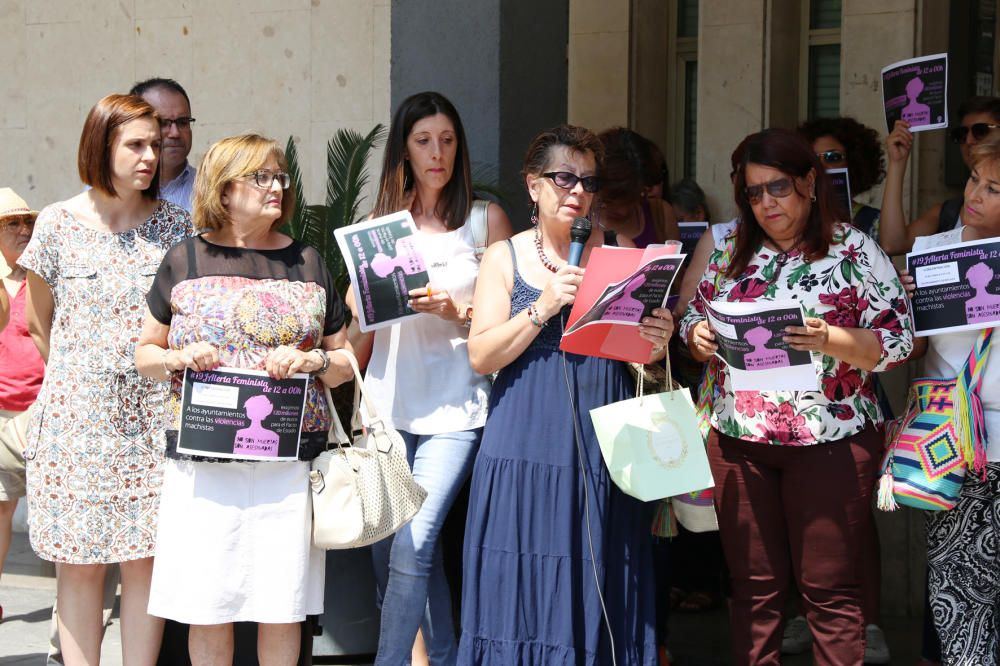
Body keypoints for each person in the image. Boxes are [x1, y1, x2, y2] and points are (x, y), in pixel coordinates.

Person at [680, 128, 913, 666]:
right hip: (740, 441)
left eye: (778, 188)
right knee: (755, 594)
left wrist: (830, 337)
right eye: (754, 193)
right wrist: (695, 334)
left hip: (831, 441)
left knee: (829, 594)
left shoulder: (853, 248)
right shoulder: (730, 245)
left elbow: (900, 340)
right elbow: (695, 313)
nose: (766, 204)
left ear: (810, 182)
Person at [134, 133, 354, 665]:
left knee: (283, 606)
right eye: (262, 176)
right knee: (209, 606)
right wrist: (178, 359)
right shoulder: (184, 258)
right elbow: (145, 353)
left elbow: (346, 362)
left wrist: (314, 362)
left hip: (286, 463)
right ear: (225, 188)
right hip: (205, 462)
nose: (277, 185)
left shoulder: (307, 260)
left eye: (280, 175)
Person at [459, 124, 672, 665]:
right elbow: (482, 355)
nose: (577, 191)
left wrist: (656, 341)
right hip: (524, 438)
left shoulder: (622, 254)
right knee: (523, 577)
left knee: (599, 572)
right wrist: (542, 306)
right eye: (563, 178)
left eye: (588, 182)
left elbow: (638, 358)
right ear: (533, 187)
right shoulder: (504, 257)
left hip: (605, 441)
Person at [19, 93, 192, 665]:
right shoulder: (56, 224)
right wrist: (81, 380)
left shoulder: (176, 226)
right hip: (75, 424)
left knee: (145, 561)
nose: (151, 155)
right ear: (102, 146)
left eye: (156, 143)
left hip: (152, 423)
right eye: (136, 144)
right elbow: (39, 321)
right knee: (79, 562)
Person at [344, 91, 512, 666]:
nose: (436, 153)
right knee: (404, 551)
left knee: (414, 544)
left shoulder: (485, 220)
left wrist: (456, 311)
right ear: (405, 151)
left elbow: (510, 319)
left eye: (446, 140)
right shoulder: (379, 227)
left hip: (457, 407)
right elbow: (358, 335)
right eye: (423, 141)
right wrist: (357, 296)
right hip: (387, 409)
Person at [897, 134, 1000, 666]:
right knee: (959, 595)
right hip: (951, 446)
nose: (976, 194)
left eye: (993, 188)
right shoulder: (934, 250)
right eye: (974, 181)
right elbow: (910, 351)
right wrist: (907, 306)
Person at [880, 96, 1000, 255]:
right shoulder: (948, 212)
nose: (969, 141)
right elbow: (892, 244)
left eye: (981, 131)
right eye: (962, 134)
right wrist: (897, 162)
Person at [0, 188, 44, 623]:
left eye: (27, 222)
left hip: (43, 410)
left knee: (52, 510)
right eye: (11, 223)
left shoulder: (43, 277)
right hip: (1, 413)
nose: (23, 230)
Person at [798, 116, 886, 240]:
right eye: (814, 158)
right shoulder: (792, 219)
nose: (821, 165)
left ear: (854, 162)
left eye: (833, 157)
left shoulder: (875, 221)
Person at [595, 127, 679, 248]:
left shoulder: (660, 214)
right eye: (610, 201)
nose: (622, 210)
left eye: (631, 200)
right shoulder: (577, 217)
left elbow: (675, 266)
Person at [130, 78, 197, 211]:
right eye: (162, 123)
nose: (175, 133)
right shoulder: (106, 195)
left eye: (183, 122)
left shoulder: (212, 193)